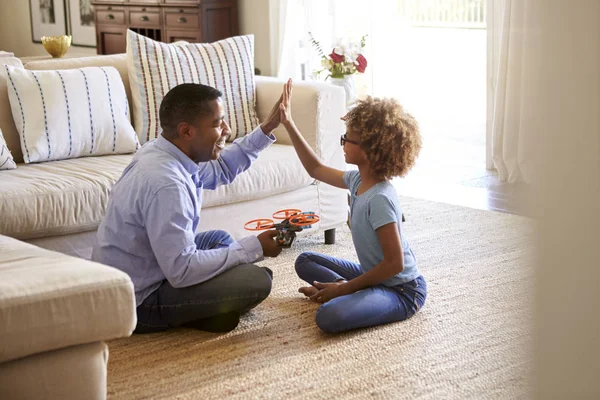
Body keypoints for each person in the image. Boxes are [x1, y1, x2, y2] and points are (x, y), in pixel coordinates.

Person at [92, 83, 285, 333]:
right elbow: (181, 270)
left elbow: (222, 170)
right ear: (186, 131)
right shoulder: (167, 184)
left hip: (151, 268)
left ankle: (208, 310)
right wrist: (255, 247)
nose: (227, 130)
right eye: (218, 123)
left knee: (221, 239)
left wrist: (267, 127)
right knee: (257, 280)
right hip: (137, 301)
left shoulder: (165, 150)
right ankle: (200, 312)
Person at [279, 79, 427, 333]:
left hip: (402, 290)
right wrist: (288, 123)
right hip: (373, 275)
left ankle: (349, 295)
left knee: (328, 317)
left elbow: (395, 264)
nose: (343, 143)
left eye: (347, 138)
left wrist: (344, 289)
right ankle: (355, 293)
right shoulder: (356, 179)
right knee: (304, 260)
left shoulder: (380, 198)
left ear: (370, 149)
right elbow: (315, 168)